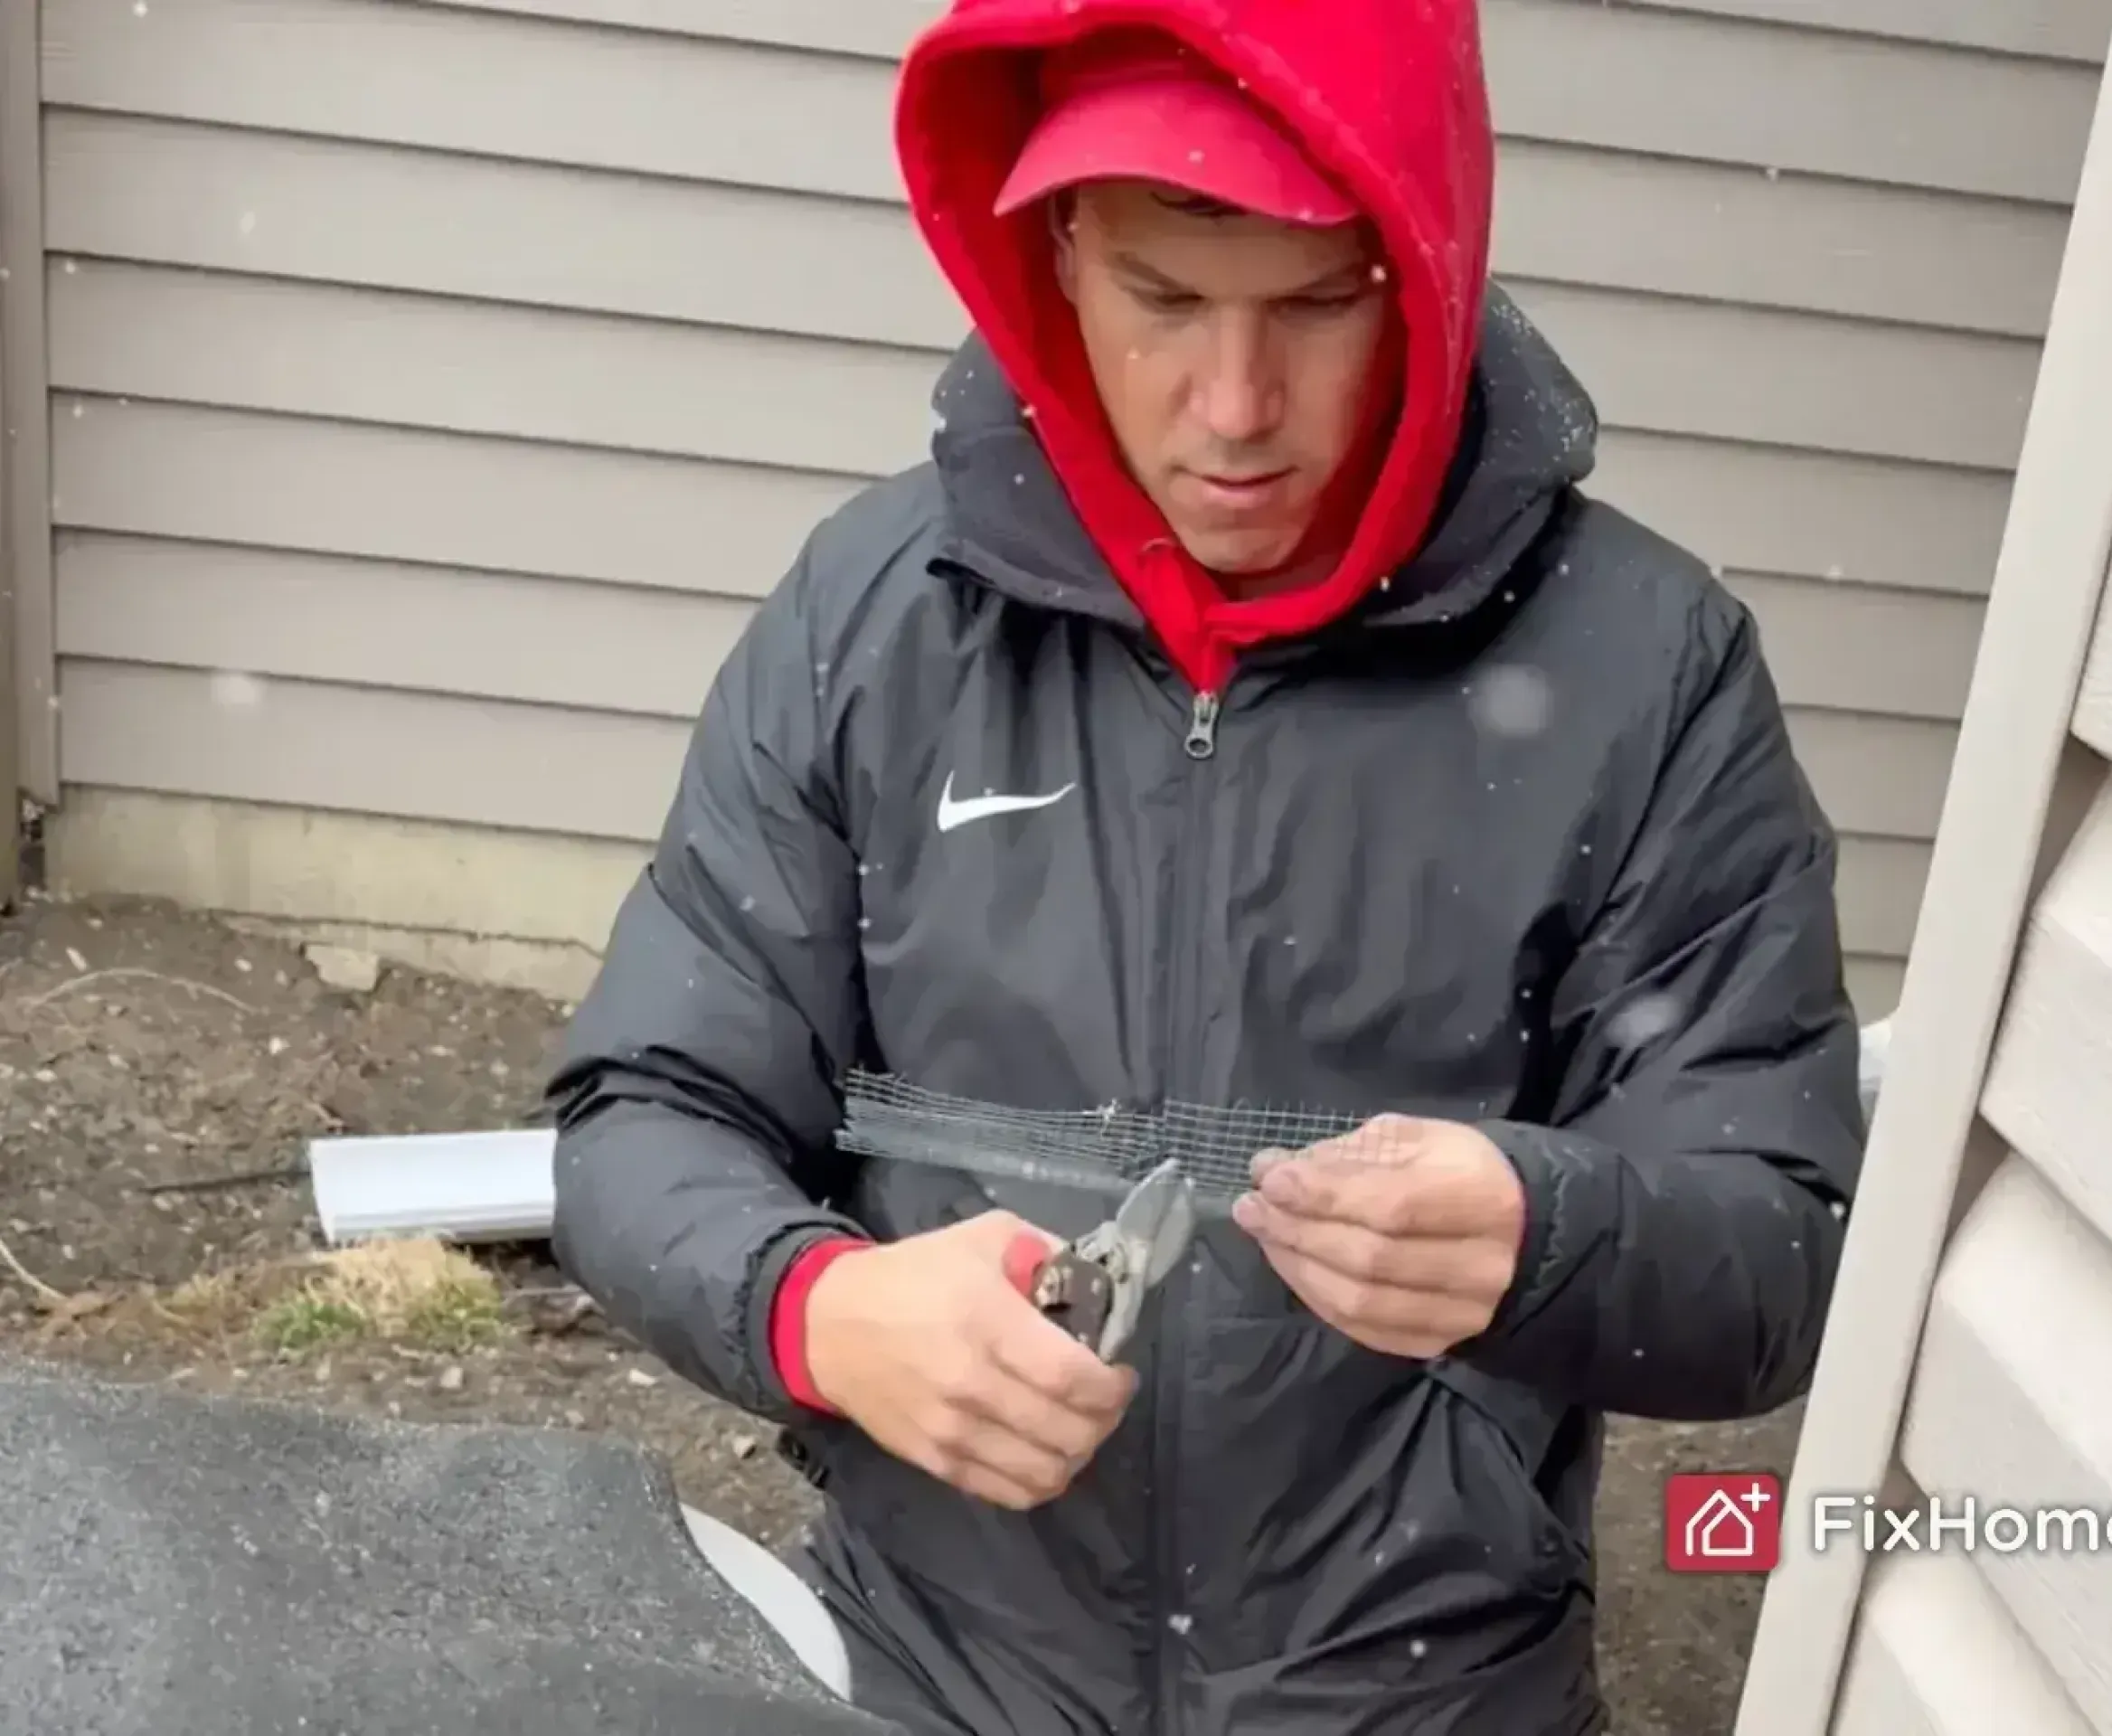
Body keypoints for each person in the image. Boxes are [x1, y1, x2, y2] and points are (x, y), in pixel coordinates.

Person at [546, 0, 1866, 1729]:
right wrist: (821, 1309)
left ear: (1427, 269)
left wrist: (1554, 1237)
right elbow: (641, 1114)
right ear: (1054, 257)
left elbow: (1779, 1243)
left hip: (1423, 1693)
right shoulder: (876, 626)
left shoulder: (1644, 670)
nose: (1237, 409)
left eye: (1319, 303)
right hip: (934, 1675)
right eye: (1163, 299)